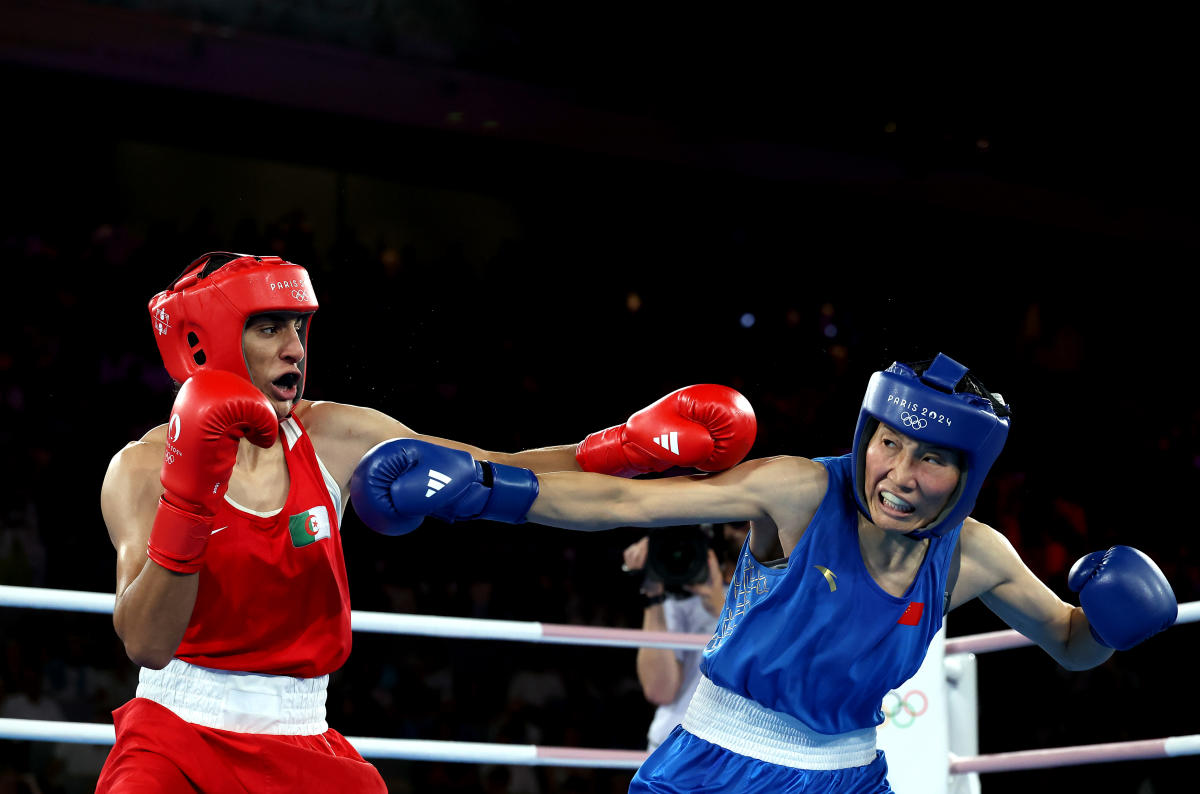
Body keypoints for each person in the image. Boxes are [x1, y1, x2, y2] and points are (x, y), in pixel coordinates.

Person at [349, 352, 1179, 793]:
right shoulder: (801, 491)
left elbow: (1072, 645)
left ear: (969, 476)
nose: (897, 471)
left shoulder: (973, 556)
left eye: (930, 457)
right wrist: (490, 488)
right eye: (889, 441)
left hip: (852, 777)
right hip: (715, 763)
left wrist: (1112, 620)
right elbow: (626, 508)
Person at [95, 251, 758, 792]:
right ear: (203, 340)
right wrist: (192, 493)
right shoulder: (142, 469)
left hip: (300, 737)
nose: (294, 347)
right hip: (176, 734)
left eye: (300, 326)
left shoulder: (332, 435)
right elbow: (147, 641)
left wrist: (628, 449)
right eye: (269, 327)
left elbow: (492, 465)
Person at [622, 522, 749, 751]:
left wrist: (722, 609)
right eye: (737, 522)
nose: (748, 527)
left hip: (741, 752)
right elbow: (659, 689)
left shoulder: (783, 591)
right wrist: (653, 595)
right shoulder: (685, 589)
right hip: (676, 744)